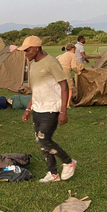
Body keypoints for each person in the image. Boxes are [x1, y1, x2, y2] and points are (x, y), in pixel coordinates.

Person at [19, 36, 77, 183]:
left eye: (27, 50)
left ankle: (69, 162)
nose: (26, 53)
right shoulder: (33, 64)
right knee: (40, 142)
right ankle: (53, 174)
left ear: (37, 48)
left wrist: (63, 111)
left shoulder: (51, 62)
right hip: (38, 107)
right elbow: (36, 89)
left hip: (51, 108)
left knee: (44, 140)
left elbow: (64, 86)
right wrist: (28, 108)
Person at [56, 43, 81, 109]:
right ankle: (67, 104)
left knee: (60, 86)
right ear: (73, 49)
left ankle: (59, 102)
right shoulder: (72, 55)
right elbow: (73, 67)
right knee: (70, 88)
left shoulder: (61, 55)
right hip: (65, 70)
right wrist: (78, 72)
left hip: (58, 70)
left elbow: (56, 60)